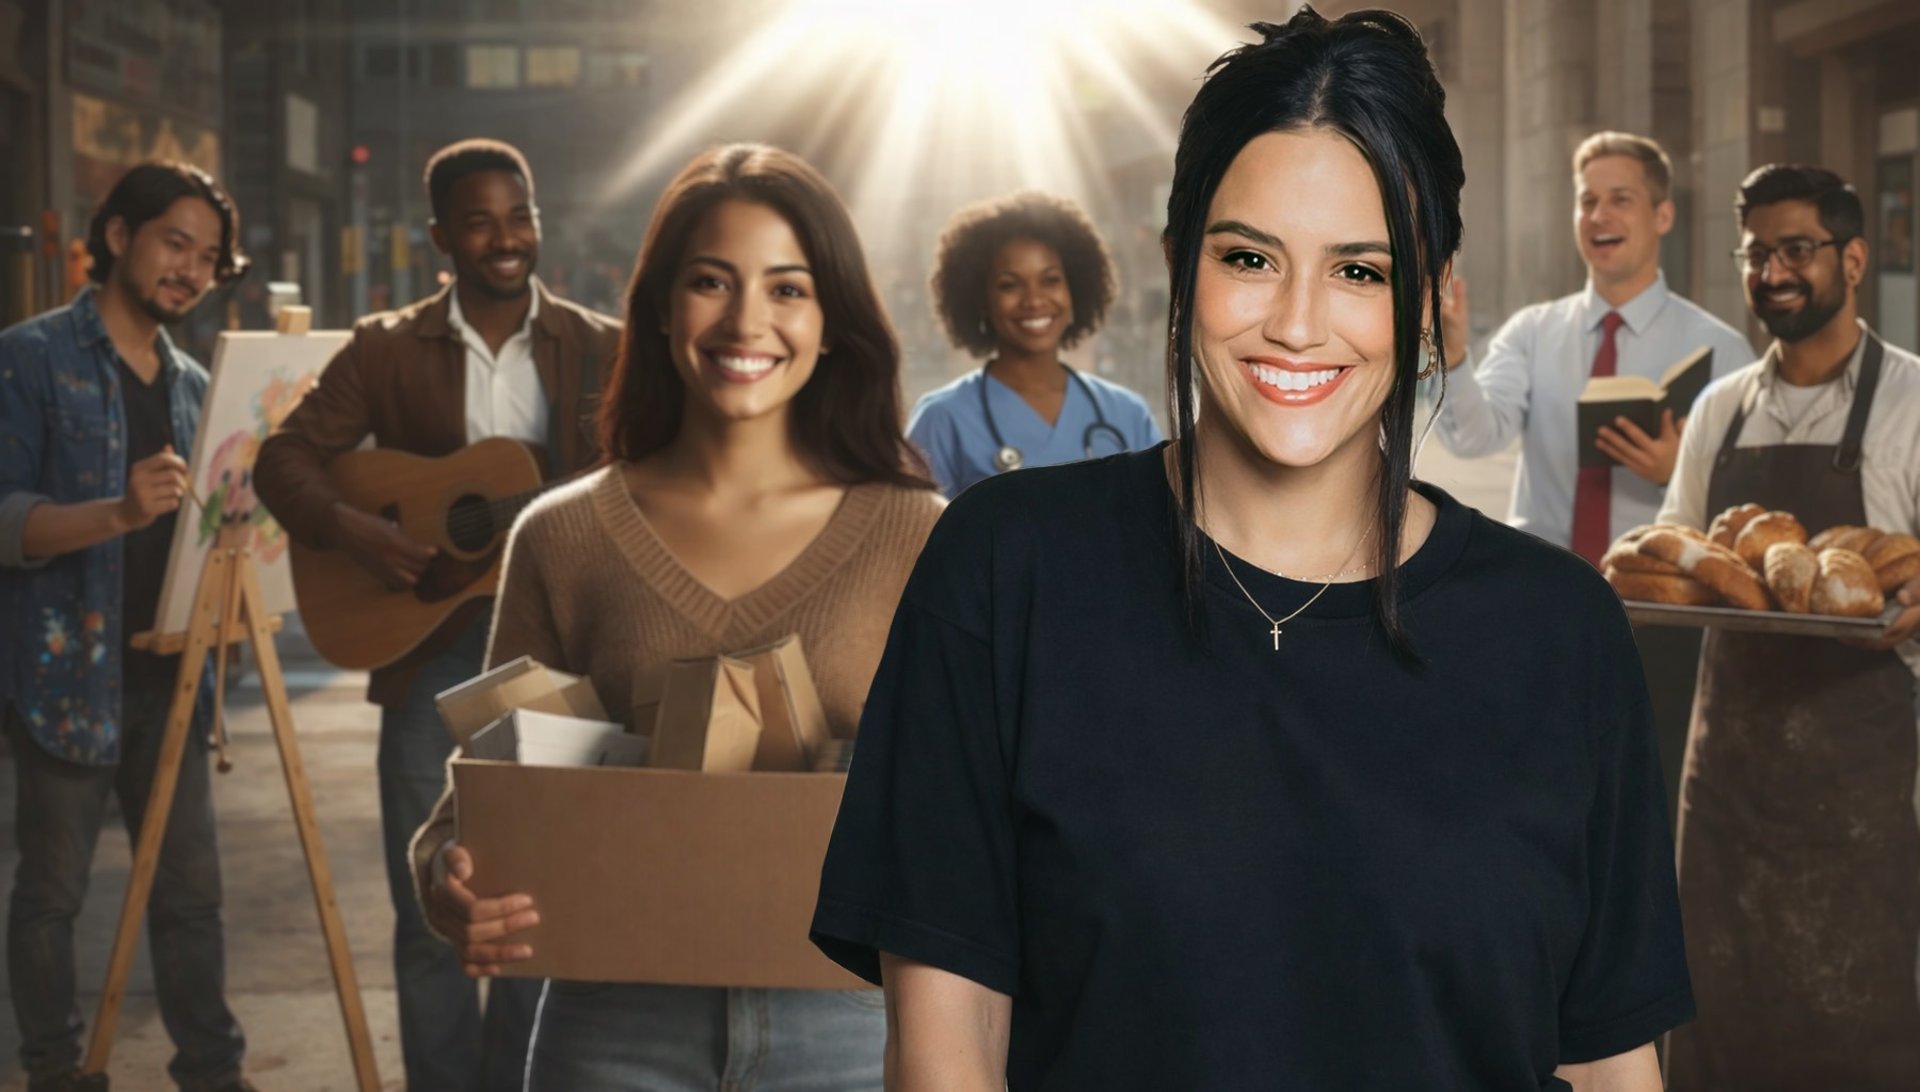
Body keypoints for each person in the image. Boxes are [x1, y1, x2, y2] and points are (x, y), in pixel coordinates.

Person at [810, 10, 1691, 1090]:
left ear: (1429, 303)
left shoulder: (1564, 633)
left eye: (1361, 271)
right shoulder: (1005, 571)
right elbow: (945, 1055)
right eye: (1249, 258)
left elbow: (1610, 1067)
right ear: (1181, 265)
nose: (1298, 323)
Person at [412, 143, 946, 1091]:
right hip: (614, 1026)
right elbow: (481, 799)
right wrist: (447, 875)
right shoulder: (563, 538)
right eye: (711, 281)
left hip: (853, 1031)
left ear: (831, 323)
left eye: (788, 288)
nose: (747, 320)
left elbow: (977, 808)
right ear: (661, 307)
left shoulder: (917, 534)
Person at [252, 139, 621, 1092]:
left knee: (537, 912)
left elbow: (657, 466)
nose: (506, 238)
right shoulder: (383, 348)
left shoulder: (601, 346)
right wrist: (354, 531)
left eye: (519, 216)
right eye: (480, 221)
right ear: (440, 238)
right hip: (431, 651)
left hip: (557, 660)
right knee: (434, 912)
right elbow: (282, 459)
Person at [1655, 164, 1920, 1089]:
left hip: (1861, 792)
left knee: (1858, 1027)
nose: (1772, 272)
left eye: (1796, 249)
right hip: (1724, 788)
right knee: (1715, 1022)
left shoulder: (1913, 404)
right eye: (1756, 253)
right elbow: (1679, 558)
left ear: (1854, 259)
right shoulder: (1718, 411)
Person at [0, 163, 255, 1092]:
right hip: (69, 674)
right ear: (117, 237)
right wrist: (116, 512)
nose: (191, 270)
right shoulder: (30, 358)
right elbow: (5, 518)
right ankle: (56, 1074)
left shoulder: (196, 386)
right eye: (174, 244)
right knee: (51, 897)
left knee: (191, 899)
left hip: (173, 676)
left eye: (208, 258)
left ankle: (213, 1072)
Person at [1433, 130, 1754, 815]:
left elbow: (1745, 515)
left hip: (1658, 623)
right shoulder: (1531, 333)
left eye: (1620, 200)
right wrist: (1455, 359)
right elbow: (1473, 435)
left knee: (1647, 805)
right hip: (1537, 608)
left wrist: (1675, 473)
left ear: (1662, 214)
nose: (1599, 216)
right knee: (1530, 803)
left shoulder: (1721, 350)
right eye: (1587, 201)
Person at [907, 191, 1161, 497]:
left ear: (1074, 289)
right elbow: (910, 524)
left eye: (1050, 280)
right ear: (980, 299)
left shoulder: (1127, 414)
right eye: (1009, 285)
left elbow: (1165, 520)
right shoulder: (942, 419)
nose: (1034, 300)